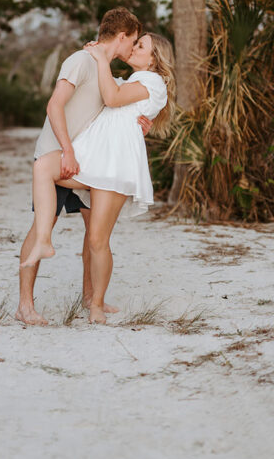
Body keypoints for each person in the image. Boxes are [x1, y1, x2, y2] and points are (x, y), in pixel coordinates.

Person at [22, 32, 176, 324]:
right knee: (43, 166)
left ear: (154, 59)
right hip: (91, 157)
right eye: (135, 41)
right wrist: (99, 58)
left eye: (140, 46)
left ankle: (96, 305)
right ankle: (43, 239)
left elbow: (112, 98)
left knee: (97, 239)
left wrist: (99, 58)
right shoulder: (131, 80)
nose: (133, 48)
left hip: (115, 164)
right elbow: (110, 97)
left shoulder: (154, 81)